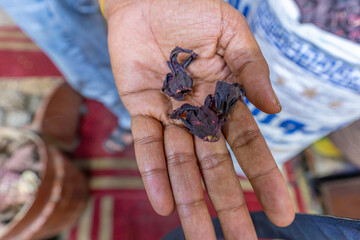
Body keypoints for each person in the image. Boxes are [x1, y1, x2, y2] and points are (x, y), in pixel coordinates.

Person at [0, 0, 295, 239]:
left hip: (187, 92)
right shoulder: (185, 97)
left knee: (71, 38)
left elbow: (185, 89)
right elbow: (180, 87)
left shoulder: (201, 104)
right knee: (74, 47)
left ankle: (117, 104)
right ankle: (118, 105)